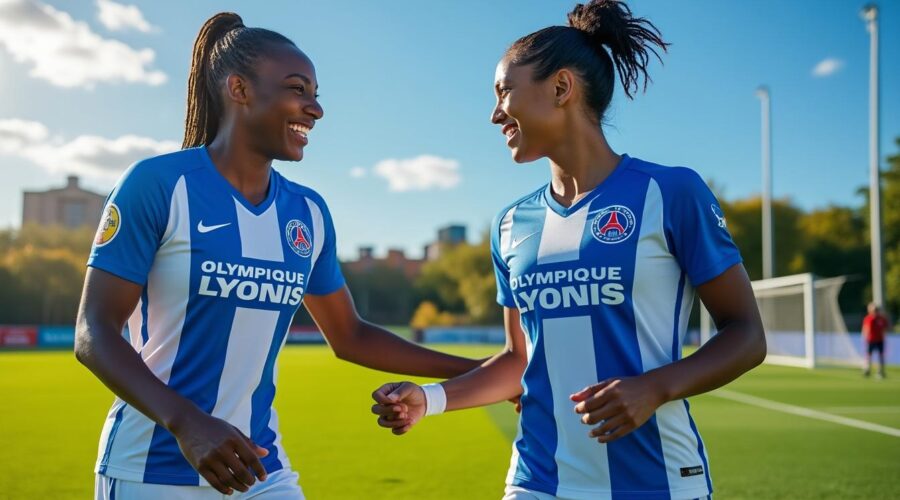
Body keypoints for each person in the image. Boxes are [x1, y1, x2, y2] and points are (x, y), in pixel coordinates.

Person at [75, 12, 482, 499]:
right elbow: (93, 332)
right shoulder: (160, 185)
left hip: (262, 468)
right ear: (239, 89)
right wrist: (188, 424)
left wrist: (482, 372)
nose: (314, 109)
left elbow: (350, 335)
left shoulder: (307, 212)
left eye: (315, 95)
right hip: (151, 470)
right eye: (297, 89)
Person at [370, 1, 767, 498]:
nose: (495, 114)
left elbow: (747, 335)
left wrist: (655, 387)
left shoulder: (670, 192)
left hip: (657, 482)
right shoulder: (511, 223)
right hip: (538, 480)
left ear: (560, 88)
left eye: (504, 91)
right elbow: (519, 361)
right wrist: (428, 399)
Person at [862, 302, 890, 378]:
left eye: (876, 310)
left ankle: (881, 371)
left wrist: (884, 335)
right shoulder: (868, 318)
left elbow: (886, 328)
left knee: (881, 356)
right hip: (871, 340)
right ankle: (867, 369)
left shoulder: (882, 319)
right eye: (874, 310)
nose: (876, 311)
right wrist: (865, 338)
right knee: (869, 355)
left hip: (880, 340)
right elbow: (865, 329)